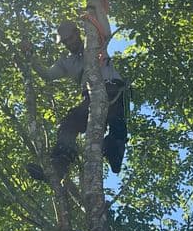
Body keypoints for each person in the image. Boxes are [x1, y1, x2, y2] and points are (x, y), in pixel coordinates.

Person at [21, 18, 128, 182]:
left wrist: (95, 5)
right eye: (64, 42)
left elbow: (104, 28)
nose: (68, 44)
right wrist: (32, 57)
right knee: (69, 124)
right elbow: (48, 75)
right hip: (90, 98)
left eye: (69, 39)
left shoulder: (95, 43)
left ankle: (115, 150)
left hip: (113, 89)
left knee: (116, 125)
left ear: (77, 33)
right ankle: (58, 167)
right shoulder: (67, 62)